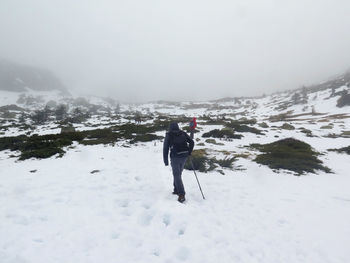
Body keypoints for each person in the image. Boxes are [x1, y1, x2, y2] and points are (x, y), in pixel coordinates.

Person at [163, 122, 194, 203]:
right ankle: (176, 189)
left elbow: (165, 148)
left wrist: (166, 161)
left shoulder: (169, 135)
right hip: (184, 156)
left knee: (176, 175)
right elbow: (192, 142)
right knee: (178, 174)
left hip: (175, 157)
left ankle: (181, 194)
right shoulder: (183, 133)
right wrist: (189, 152)